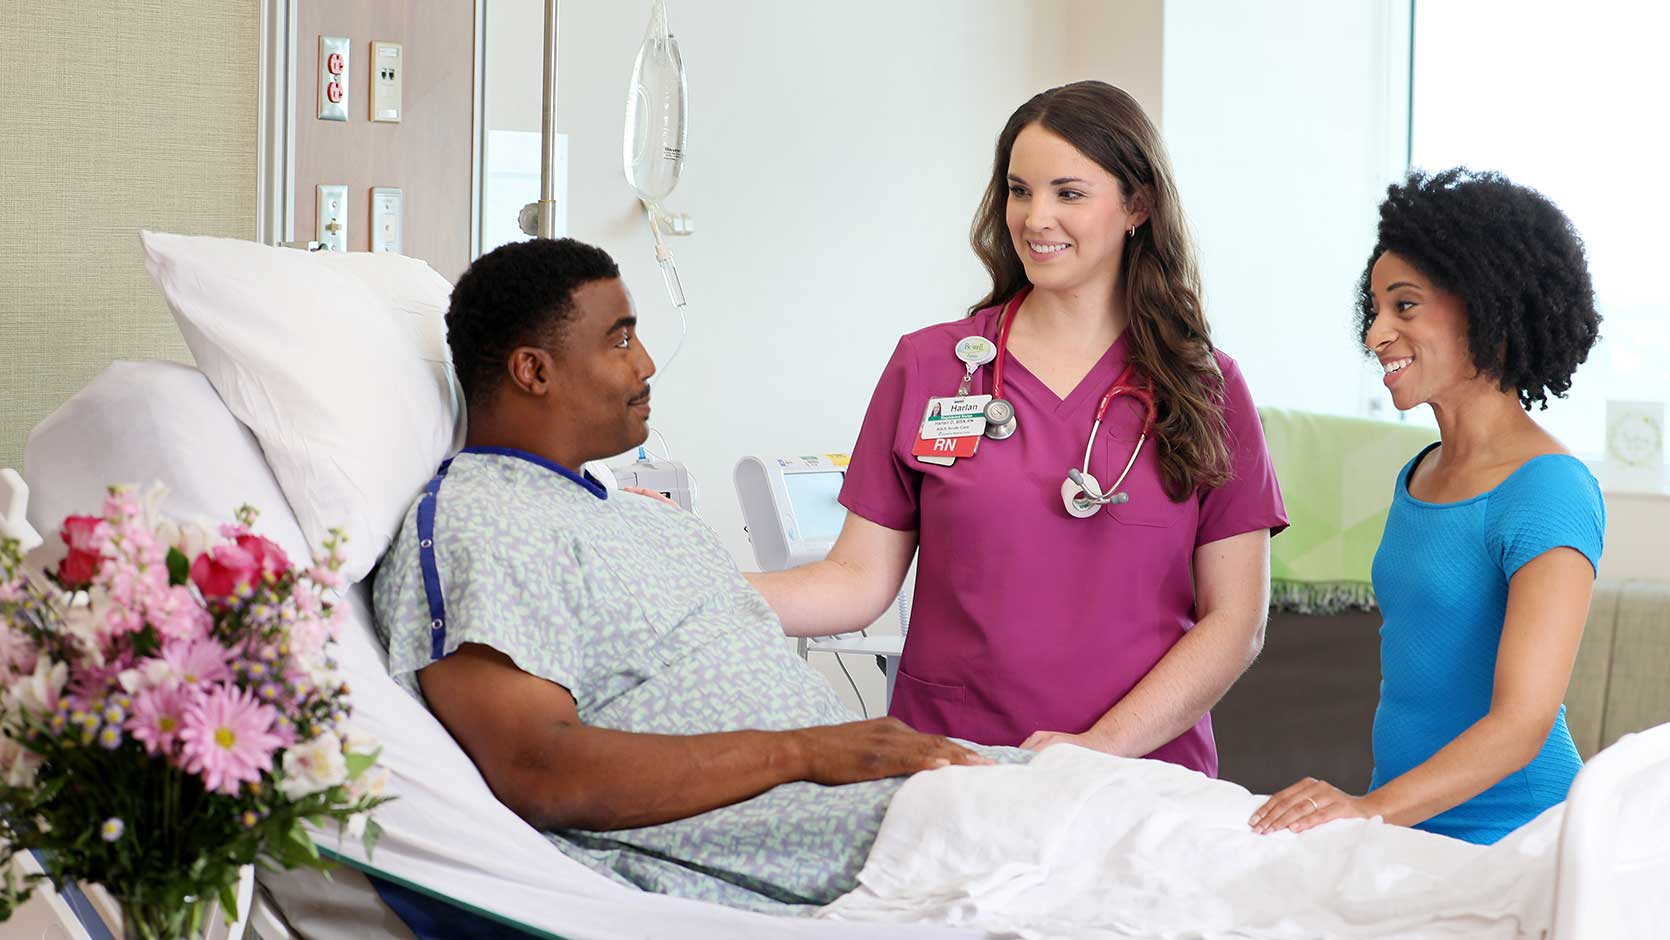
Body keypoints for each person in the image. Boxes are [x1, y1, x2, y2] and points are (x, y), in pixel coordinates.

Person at [372, 237, 1014, 913]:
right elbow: (540, 771)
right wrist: (804, 752)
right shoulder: (484, 520)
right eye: (620, 342)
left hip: (908, 804)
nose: (645, 366)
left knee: (1109, 804)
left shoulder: (650, 522)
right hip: (873, 846)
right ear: (534, 371)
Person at [746, 81, 1288, 776]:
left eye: (1069, 193)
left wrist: (1098, 750)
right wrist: (691, 583)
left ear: (1138, 206)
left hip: (1138, 777)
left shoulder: (1206, 387)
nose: (1036, 218)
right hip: (953, 764)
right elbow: (856, 580)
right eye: (1019, 190)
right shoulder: (932, 364)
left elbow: (1235, 622)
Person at [1249, 169, 1606, 844]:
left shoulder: (1549, 488)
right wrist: (1378, 814)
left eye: (1405, 306)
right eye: (1375, 309)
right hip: (1411, 829)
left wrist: (1366, 807)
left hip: (1517, 835)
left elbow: (1522, 722)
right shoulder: (1419, 473)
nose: (1376, 334)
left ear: (1486, 305)